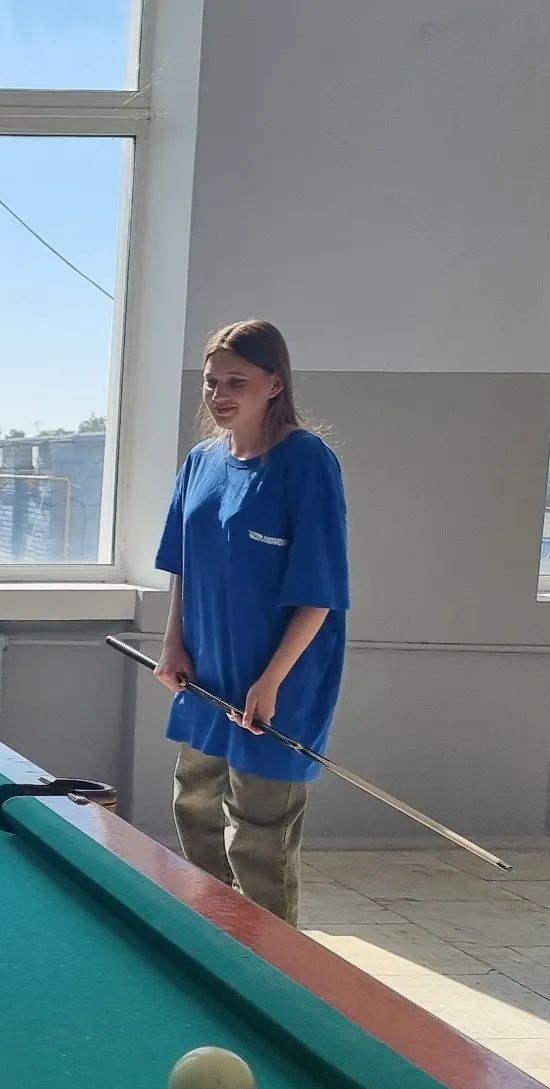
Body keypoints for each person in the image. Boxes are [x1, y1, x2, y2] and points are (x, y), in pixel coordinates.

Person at [153, 319, 349, 924]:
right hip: (205, 676)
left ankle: (271, 963)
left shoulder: (306, 462)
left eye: (236, 381)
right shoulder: (200, 462)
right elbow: (183, 566)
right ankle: (215, 936)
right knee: (194, 808)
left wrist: (271, 682)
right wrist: (172, 645)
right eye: (211, 382)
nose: (219, 394)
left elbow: (320, 594)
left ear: (274, 383)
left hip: (279, 683)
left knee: (259, 838)